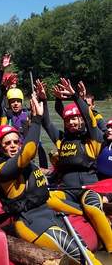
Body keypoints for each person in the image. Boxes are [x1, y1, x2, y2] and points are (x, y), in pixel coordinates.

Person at [0, 94, 101, 264]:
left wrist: (80, 211)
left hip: (50, 216)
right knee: (81, 257)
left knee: (87, 253)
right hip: (31, 223)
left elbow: (46, 195)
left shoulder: (29, 166)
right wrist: (36, 120)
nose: (13, 146)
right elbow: (28, 151)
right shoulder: (4, 170)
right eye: (7, 143)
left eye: (15, 142)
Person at [38, 78, 112, 254]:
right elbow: (47, 122)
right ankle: (80, 212)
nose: (72, 122)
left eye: (75, 119)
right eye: (68, 120)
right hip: (68, 190)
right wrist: (43, 99)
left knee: (92, 207)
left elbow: (89, 117)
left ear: (81, 120)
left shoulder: (92, 138)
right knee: (45, 198)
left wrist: (75, 97)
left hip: (89, 188)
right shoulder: (61, 140)